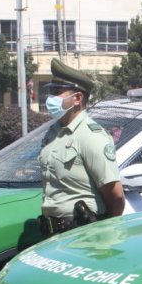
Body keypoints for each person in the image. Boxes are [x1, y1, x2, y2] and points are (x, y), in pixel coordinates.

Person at [38, 58, 125, 236]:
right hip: (52, 236)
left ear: (77, 98)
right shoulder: (53, 132)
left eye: (57, 92)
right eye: (51, 91)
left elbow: (116, 197)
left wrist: (103, 233)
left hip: (84, 237)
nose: (50, 98)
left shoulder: (91, 136)